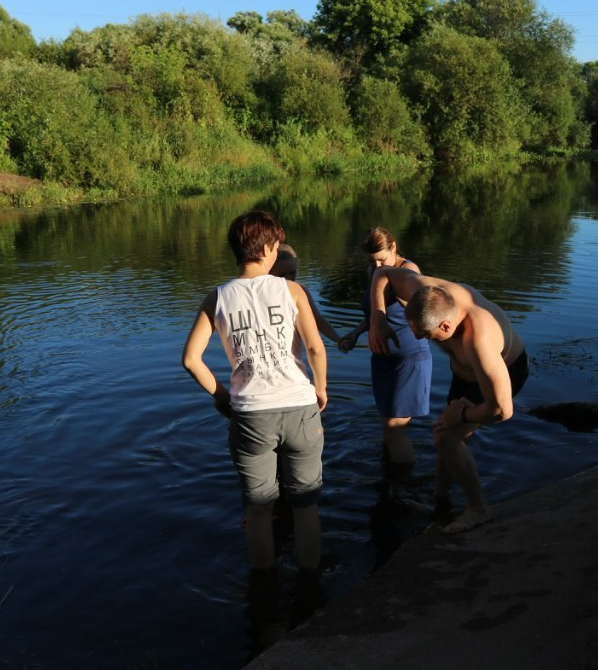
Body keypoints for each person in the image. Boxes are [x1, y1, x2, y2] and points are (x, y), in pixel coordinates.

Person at [181, 211, 328, 577]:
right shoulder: (291, 290)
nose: (278, 251)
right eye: (276, 245)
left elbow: (190, 361)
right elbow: (315, 349)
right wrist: (321, 388)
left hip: (249, 415)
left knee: (259, 509)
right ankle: (312, 586)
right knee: (305, 505)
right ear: (265, 248)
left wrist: (222, 397)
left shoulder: (216, 297)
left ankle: (264, 590)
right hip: (299, 406)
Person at [367, 266, 528, 533]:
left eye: (425, 335)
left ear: (445, 325)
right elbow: (383, 272)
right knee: (444, 433)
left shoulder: (479, 339)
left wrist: (463, 415)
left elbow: (502, 410)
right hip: (465, 373)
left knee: (447, 435)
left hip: (505, 372)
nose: (418, 338)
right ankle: (440, 500)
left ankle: (478, 509)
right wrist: (377, 318)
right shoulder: (422, 291)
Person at [337, 228, 433, 471]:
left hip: (408, 357)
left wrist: (403, 296)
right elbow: (376, 315)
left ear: (394, 247)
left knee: (395, 431)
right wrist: (356, 333)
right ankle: (389, 479)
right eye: (372, 260)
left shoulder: (408, 271)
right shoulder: (373, 271)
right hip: (382, 357)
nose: (378, 264)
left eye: (382, 258)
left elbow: (420, 308)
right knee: (387, 429)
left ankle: (404, 483)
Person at [272, 243, 344, 364]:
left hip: (290, 357)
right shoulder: (263, 293)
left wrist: (339, 340)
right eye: (282, 275)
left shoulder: (300, 291)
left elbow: (318, 321)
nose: (288, 278)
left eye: (292, 272)